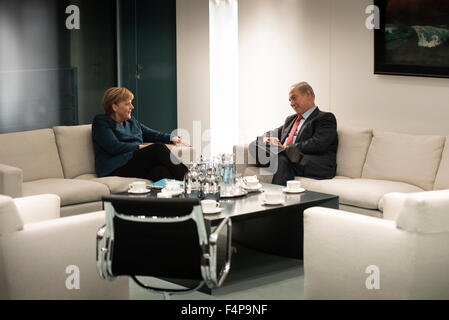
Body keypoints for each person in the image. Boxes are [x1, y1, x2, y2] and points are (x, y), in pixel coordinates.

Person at [92, 87, 190, 182]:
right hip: (115, 166)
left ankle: (180, 196)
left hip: (134, 163)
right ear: (115, 107)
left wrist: (172, 138)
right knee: (158, 148)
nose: (132, 107)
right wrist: (139, 147)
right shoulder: (101, 122)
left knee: (161, 171)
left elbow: (152, 134)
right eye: (127, 104)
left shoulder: (132, 122)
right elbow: (114, 146)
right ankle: (191, 179)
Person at [248, 82, 338, 186]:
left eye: (294, 98)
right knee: (254, 145)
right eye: (290, 100)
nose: (291, 103)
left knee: (282, 158)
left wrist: (286, 148)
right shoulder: (291, 120)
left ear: (308, 94)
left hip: (311, 162)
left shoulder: (325, 118)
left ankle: (276, 198)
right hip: (286, 158)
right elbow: (274, 132)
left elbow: (318, 144)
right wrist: (267, 139)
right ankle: (279, 155)